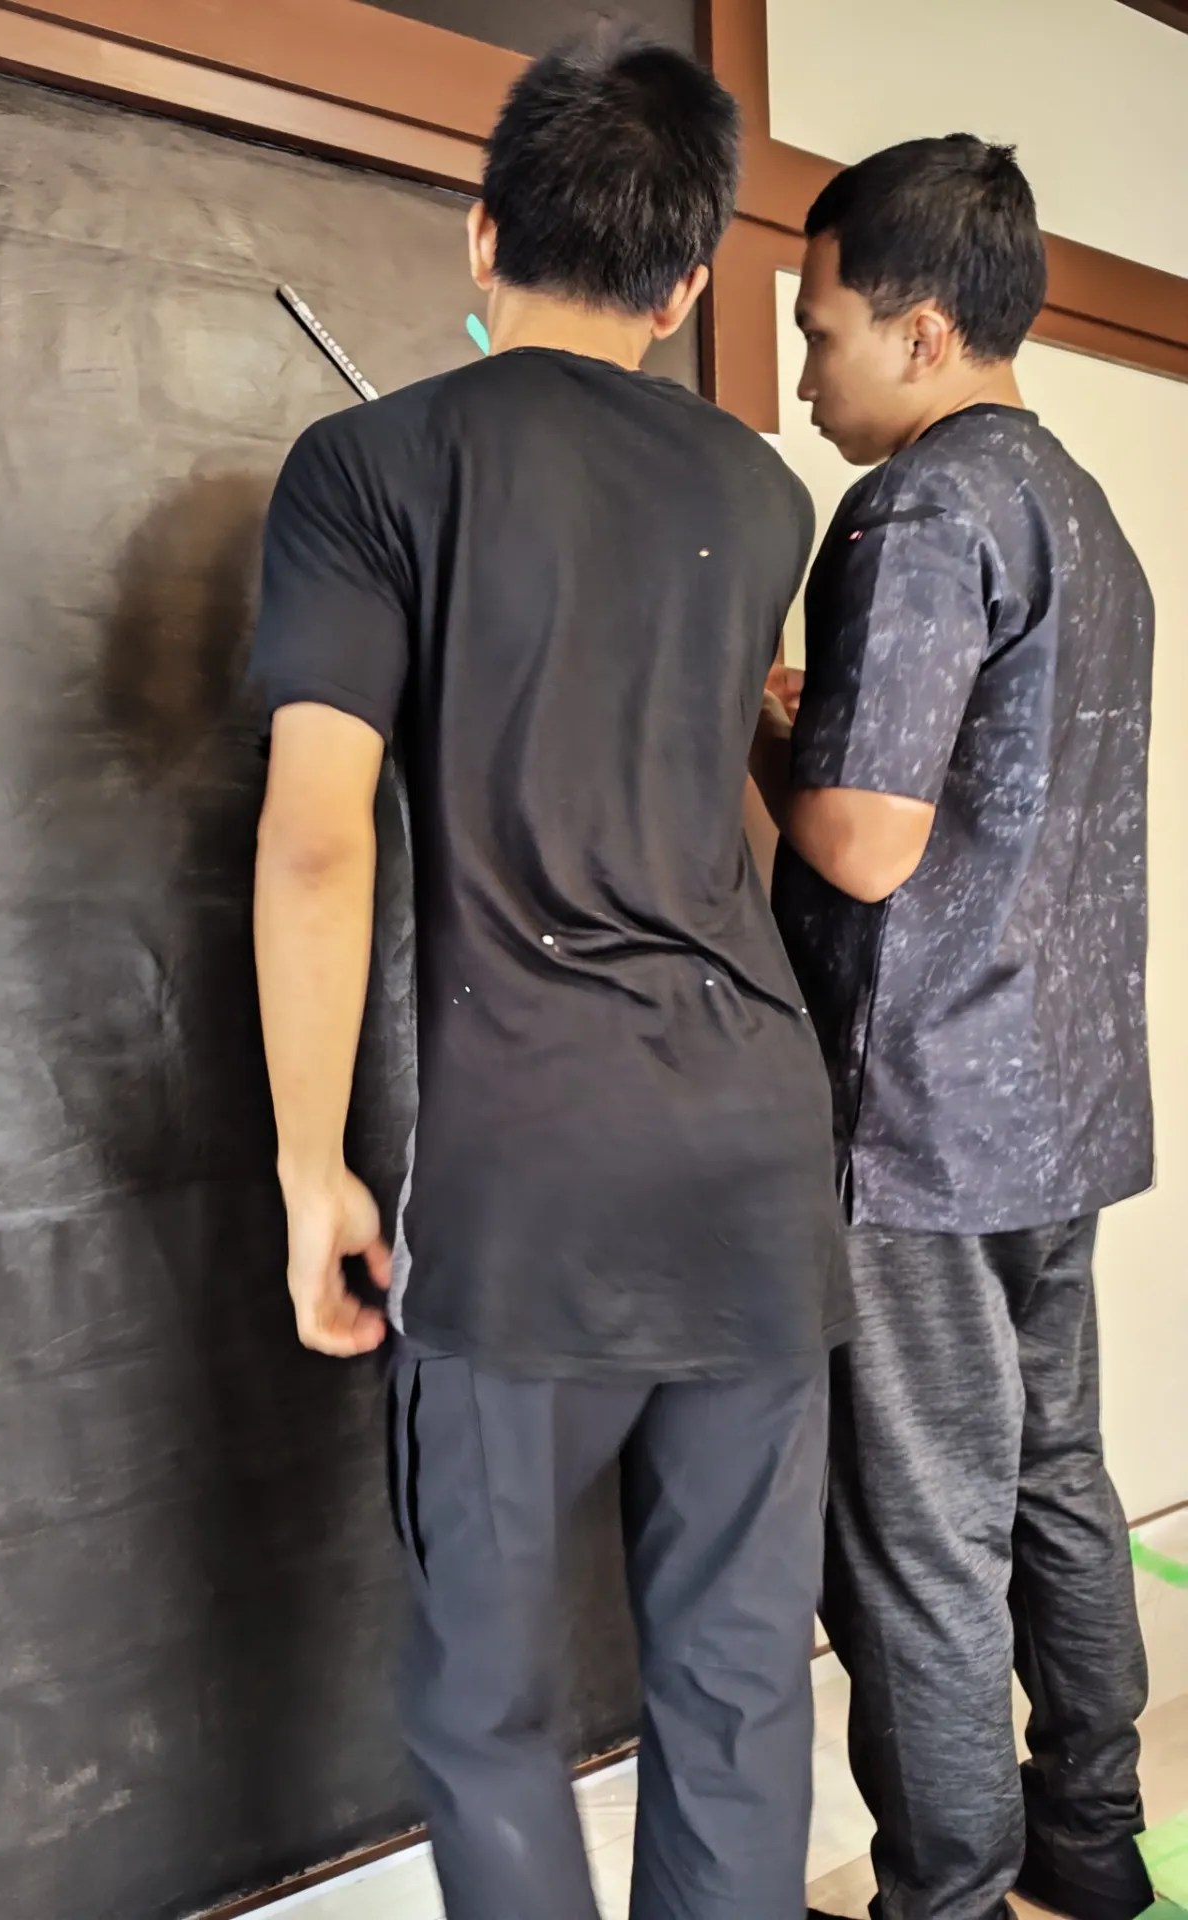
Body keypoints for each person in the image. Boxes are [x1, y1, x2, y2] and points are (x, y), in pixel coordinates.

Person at [250, 29, 848, 1920]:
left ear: (482, 231)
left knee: (490, 1709)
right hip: (757, 1154)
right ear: (685, 287)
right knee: (740, 1694)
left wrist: (310, 1169)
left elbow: (318, 839)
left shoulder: (367, 467)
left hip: (532, 1170)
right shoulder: (765, 493)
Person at [751, 136, 1157, 1920]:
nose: (803, 373)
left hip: (917, 1115)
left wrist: (767, 730)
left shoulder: (918, 508)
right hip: (1057, 1098)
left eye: (819, 328)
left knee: (920, 1524)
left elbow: (863, 843)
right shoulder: (1086, 511)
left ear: (921, 331)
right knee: (1055, 1471)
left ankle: (949, 1896)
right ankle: (1091, 1844)